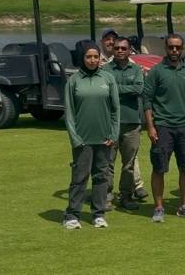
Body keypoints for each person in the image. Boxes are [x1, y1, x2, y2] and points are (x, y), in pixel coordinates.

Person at [143, 34, 185, 222]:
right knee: (159, 168)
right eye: (171, 47)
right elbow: (147, 101)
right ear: (166, 48)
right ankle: (158, 208)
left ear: (182, 48)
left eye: (178, 47)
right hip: (163, 127)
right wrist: (150, 127)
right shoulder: (156, 71)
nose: (174, 51)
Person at [62, 42, 119, 230]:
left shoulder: (108, 78)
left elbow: (115, 110)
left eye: (96, 56)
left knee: (101, 177)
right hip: (82, 140)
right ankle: (72, 215)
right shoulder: (73, 81)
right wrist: (75, 138)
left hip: (104, 139)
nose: (93, 60)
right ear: (82, 58)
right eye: (89, 57)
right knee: (80, 177)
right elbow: (69, 113)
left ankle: (98, 214)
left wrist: (113, 134)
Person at [102, 37, 147, 211]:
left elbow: (138, 89)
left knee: (129, 163)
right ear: (113, 50)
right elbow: (104, 91)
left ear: (129, 50)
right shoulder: (105, 69)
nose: (120, 51)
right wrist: (125, 89)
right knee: (107, 163)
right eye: (117, 48)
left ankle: (126, 196)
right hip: (110, 123)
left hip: (132, 123)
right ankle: (106, 195)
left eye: (123, 48)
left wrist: (115, 88)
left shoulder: (136, 69)